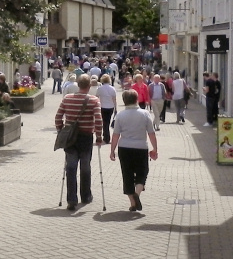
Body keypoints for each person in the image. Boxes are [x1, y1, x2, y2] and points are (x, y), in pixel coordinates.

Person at [54, 74, 103, 211]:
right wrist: (99, 136)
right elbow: (98, 120)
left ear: (77, 84)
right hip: (86, 137)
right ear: (89, 87)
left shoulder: (67, 98)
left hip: (70, 137)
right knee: (85, 166)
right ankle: (86, 196)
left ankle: (71, 199)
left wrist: (61, 130)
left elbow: (58, 117)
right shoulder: (94, 100)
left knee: (70, 167)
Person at [109, 90, 158, 211]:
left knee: (127, 174)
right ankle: (137, 194)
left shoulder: (120, 115)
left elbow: (116, 135)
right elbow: (151, 133)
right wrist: (155, 148)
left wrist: (112, 150)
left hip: (124, 148)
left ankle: (132, 203)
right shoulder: (145, 114)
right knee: (142, 171)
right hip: (141, 147)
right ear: (137, 99)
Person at [96, 74, 117, 144]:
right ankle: (106, 135)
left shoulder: (99, 88)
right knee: (107, 122)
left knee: (104, 122)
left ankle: (106, 137)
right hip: (110, 107)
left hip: (102, 106)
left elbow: (97, 97)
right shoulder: (112, 88)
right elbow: (114, 99)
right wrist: (116, 108)